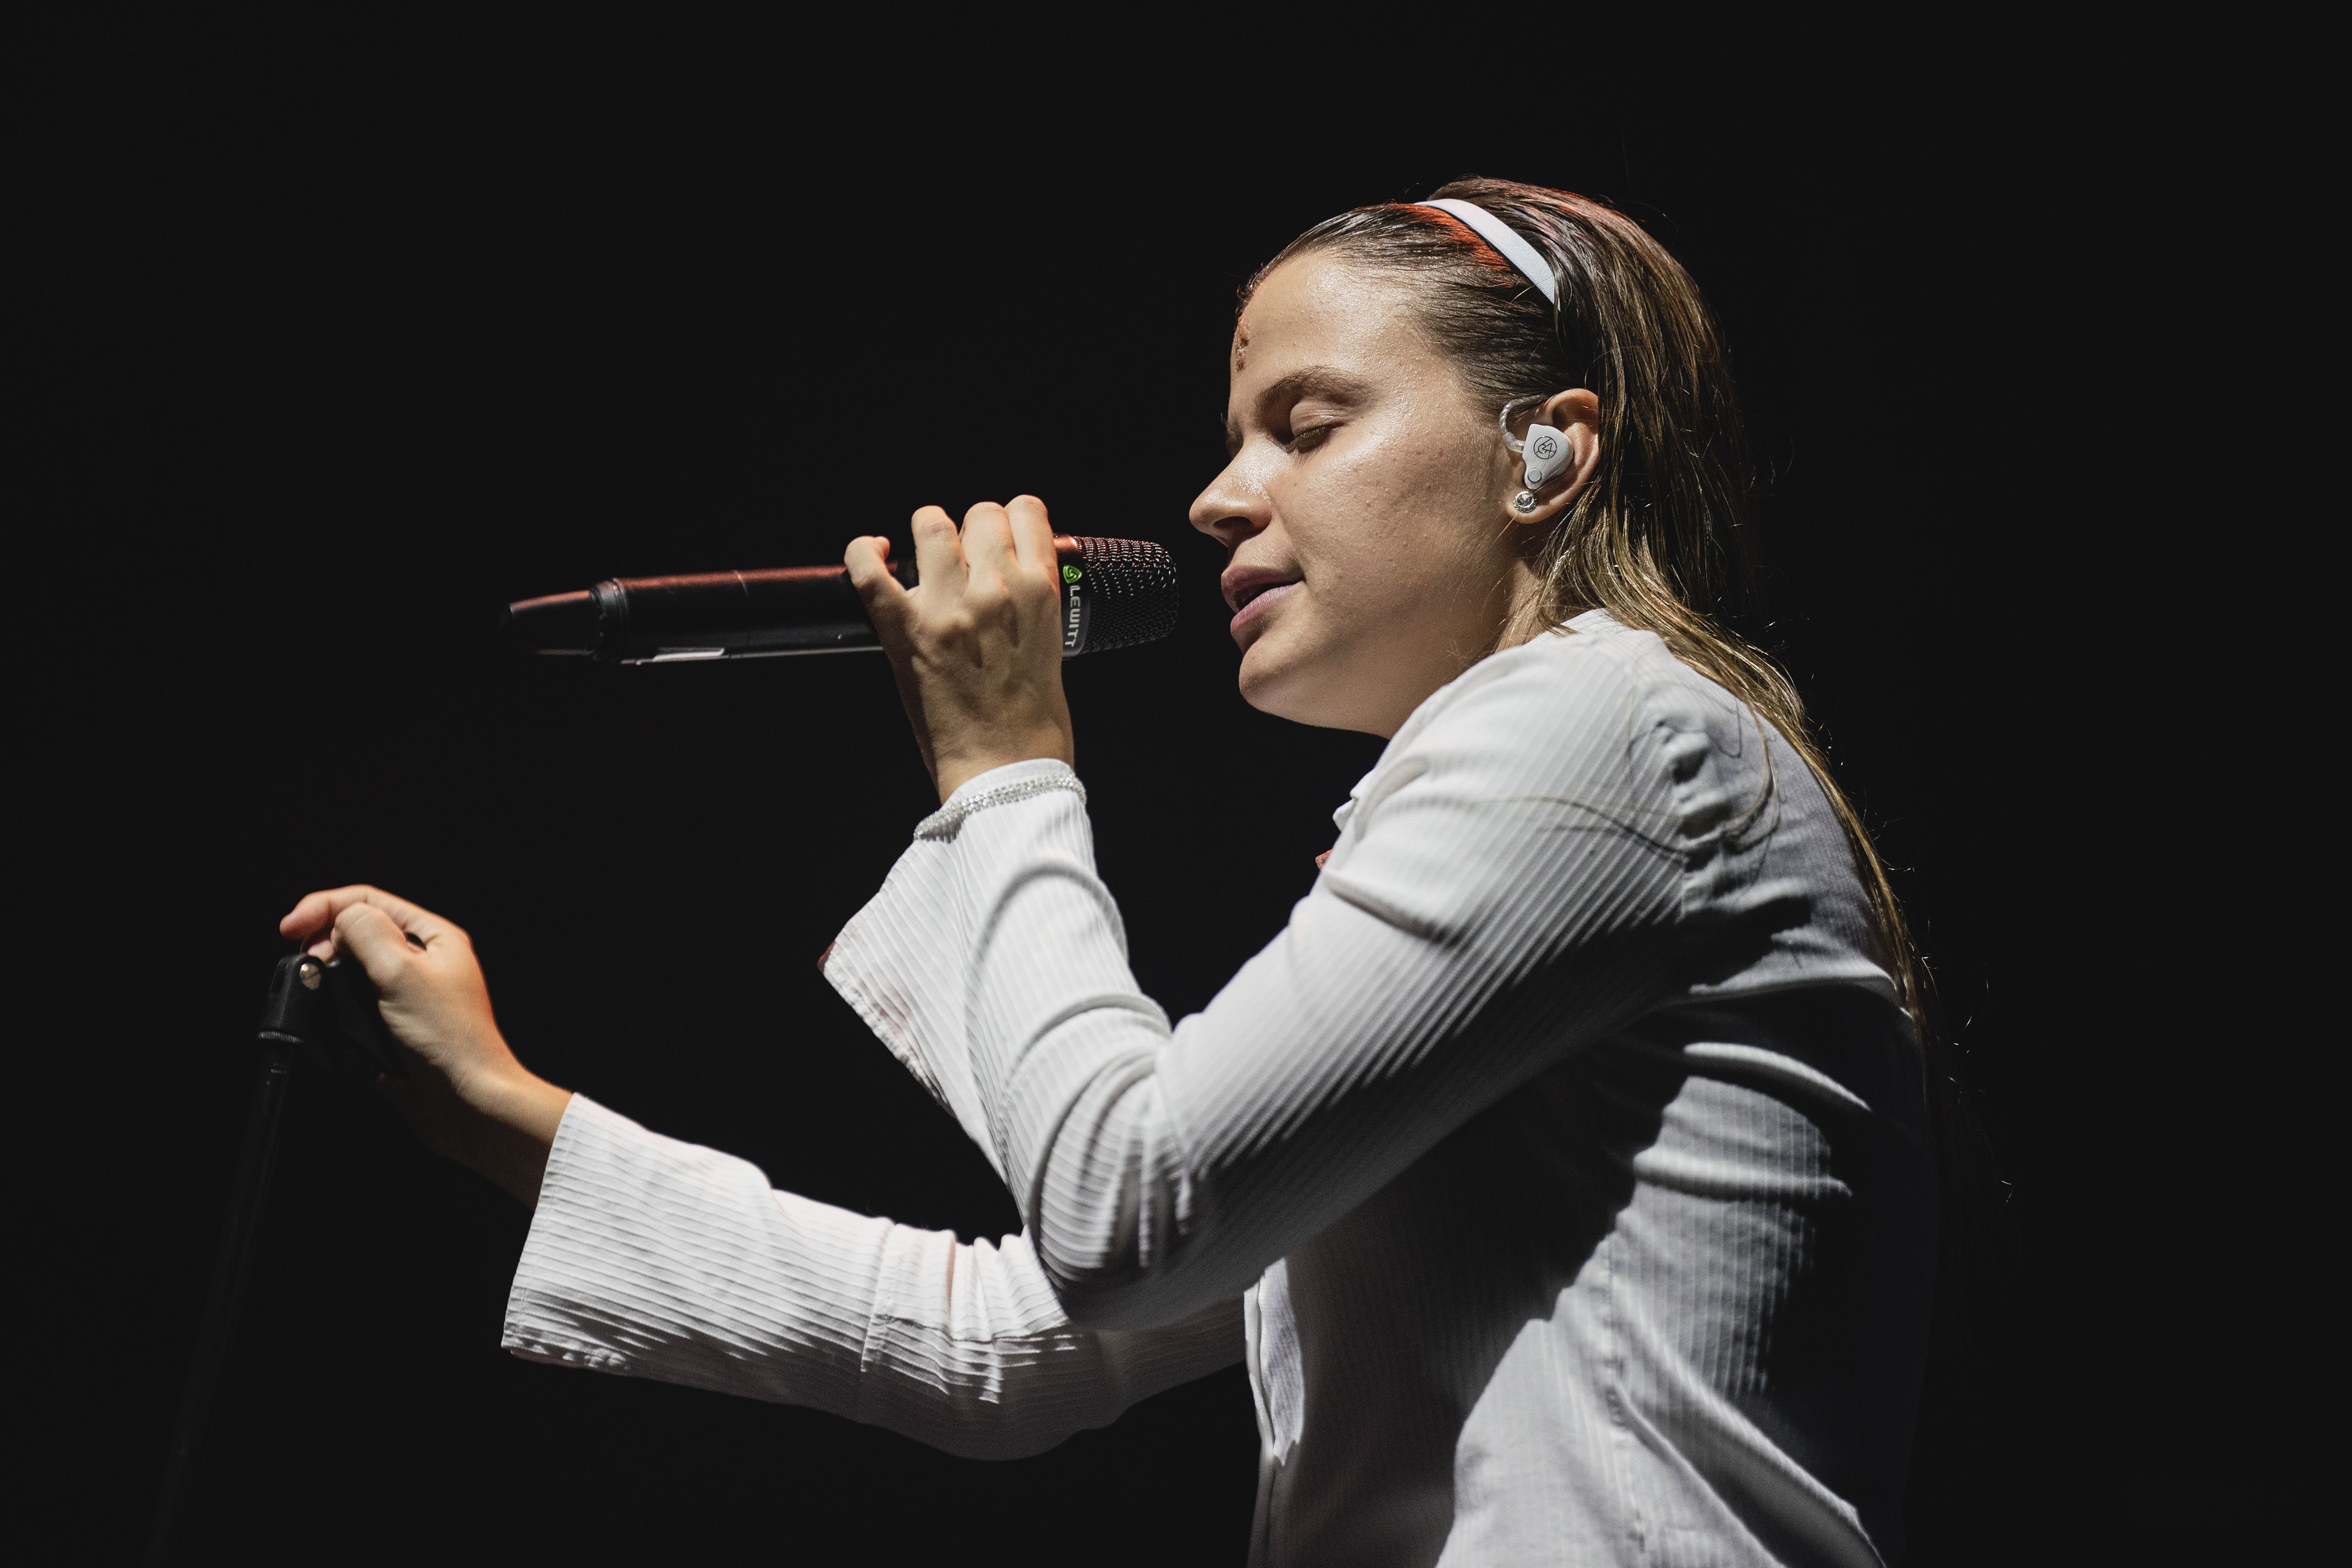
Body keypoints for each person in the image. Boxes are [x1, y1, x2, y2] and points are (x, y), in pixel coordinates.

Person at [282, 179, 1937, 1567]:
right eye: (1237, 441)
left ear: (1548, 454)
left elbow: (1126, 1220)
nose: (1221, 498)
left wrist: (1004, 770)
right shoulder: (1544, 784)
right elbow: (1006, 1343)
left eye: (1310, 424)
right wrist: (502, 1110)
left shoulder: (1600, 727)